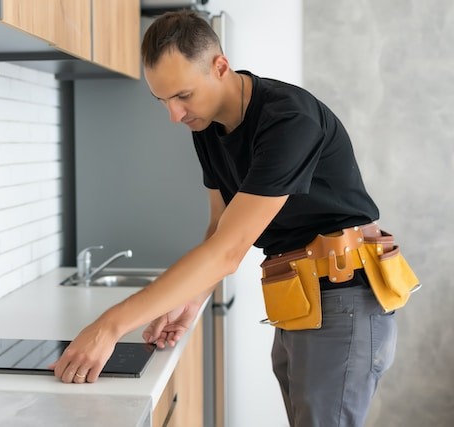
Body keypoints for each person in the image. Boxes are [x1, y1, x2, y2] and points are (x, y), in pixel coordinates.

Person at [52, 10, 413, 427]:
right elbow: (218, 231)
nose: (174, 114)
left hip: (344, 296)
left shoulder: (288, 120)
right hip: (301, 298)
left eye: (183, 95)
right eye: (163, 100)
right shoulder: (207, 128)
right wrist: (190, 300)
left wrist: (108, 326)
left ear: (220, 67)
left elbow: (228, 252)